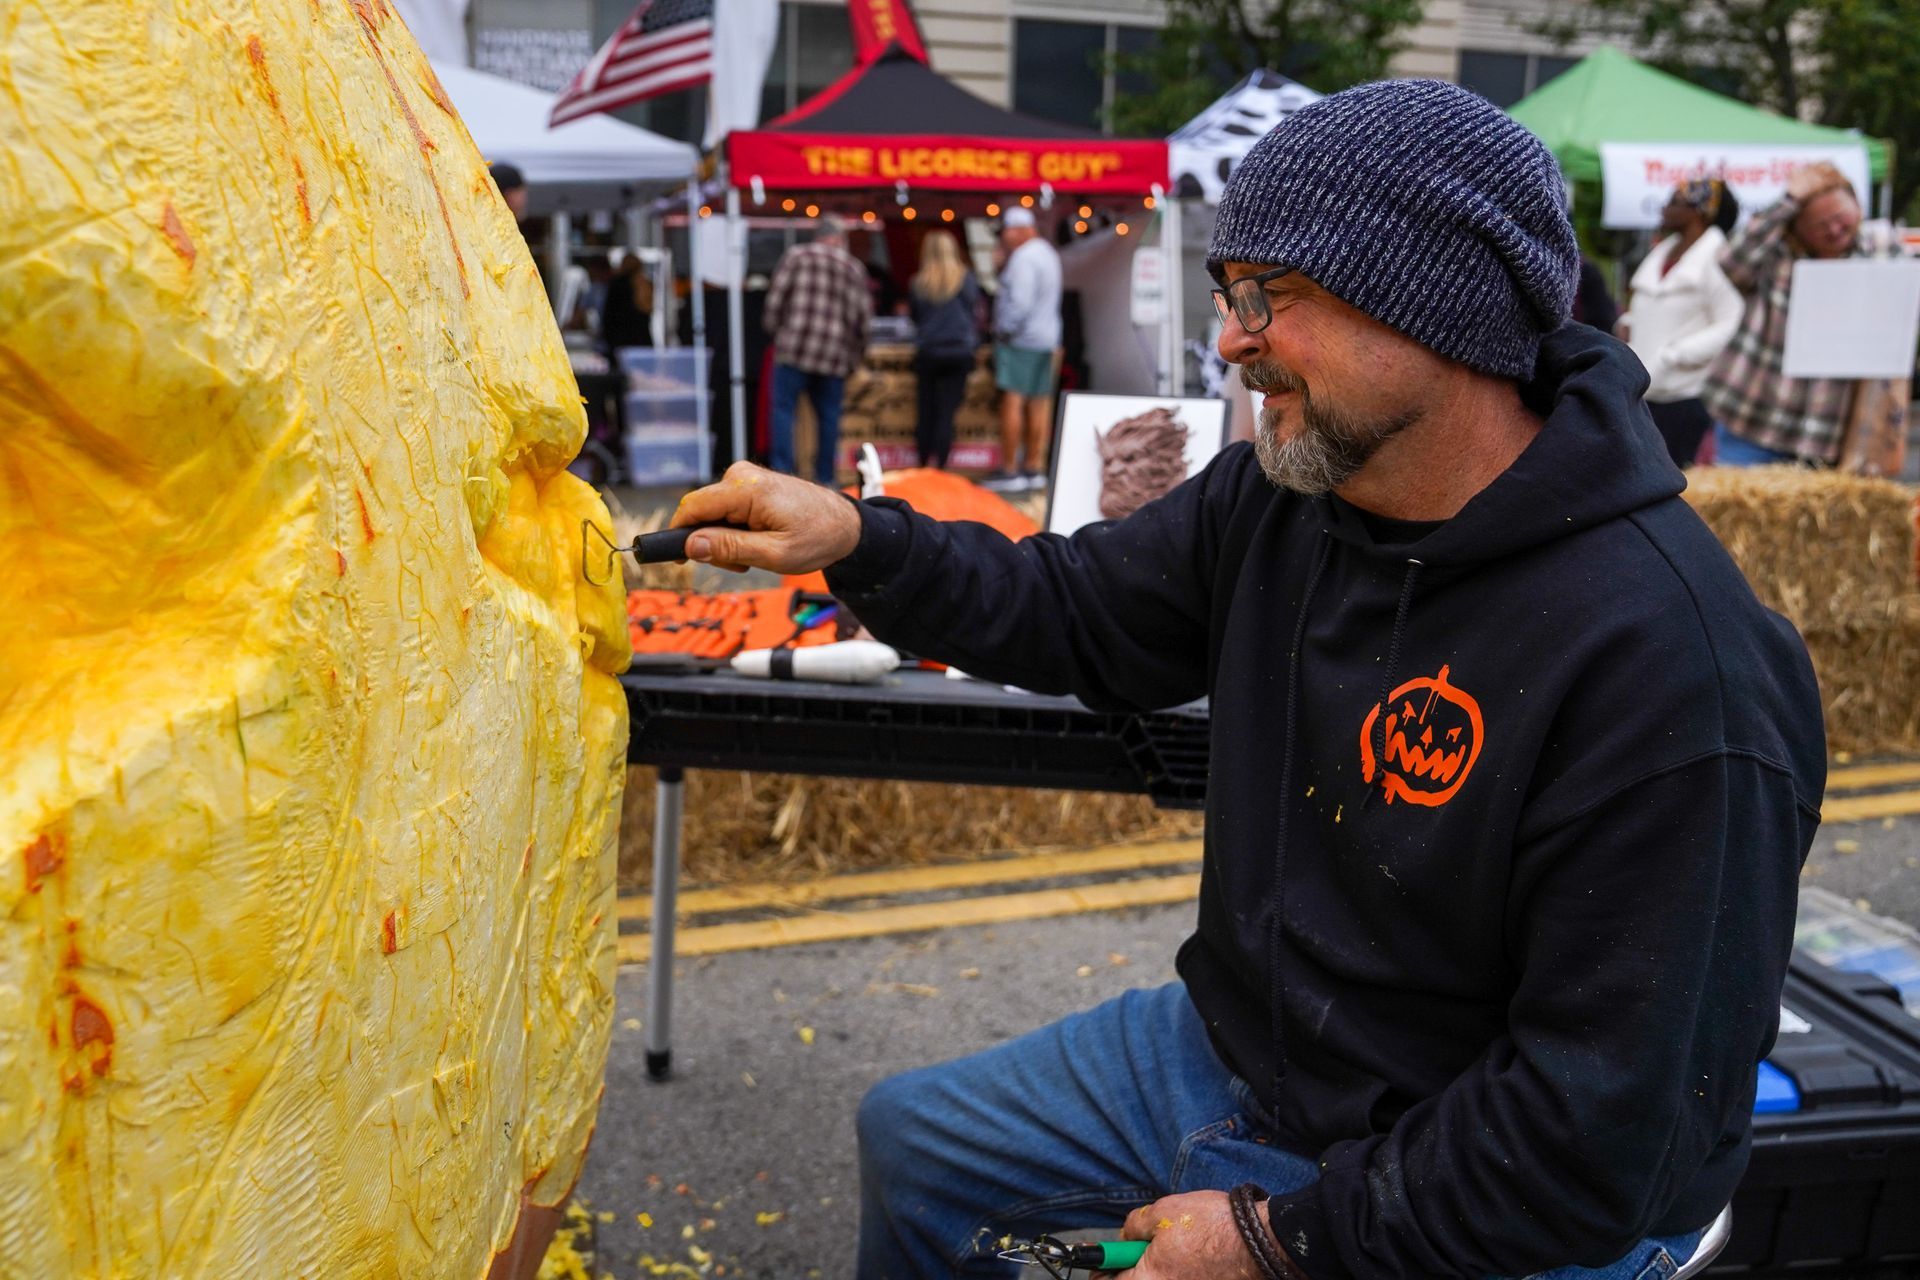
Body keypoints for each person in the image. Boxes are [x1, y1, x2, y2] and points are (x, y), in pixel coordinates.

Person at [671, 79, 1823, 1280]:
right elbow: (1074, 608)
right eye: (1233, 294)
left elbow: (1595, 1140)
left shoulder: (1675, 668)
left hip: (1473, 1171)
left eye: (1277, 296)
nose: (1230, 338)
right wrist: (858, 537)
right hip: (1238, 1050)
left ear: (1436, 309)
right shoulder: (1289, 494)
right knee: (916, 1140)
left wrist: (1277, 1239)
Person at [1703, 162, 1891, 467]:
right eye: (1820, 225)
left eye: (1840, 217)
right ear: (1798, 228)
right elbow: (1730, 261)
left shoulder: (1881, 247)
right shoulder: (1776, 254)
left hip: (1832, 433)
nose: (1834, 230)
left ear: (1857, 205)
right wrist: (1788, 200)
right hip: (1753, 419)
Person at [1618, 179, 1744, 467]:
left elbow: (1731, 325)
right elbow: (1649, 306)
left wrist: (1676, 354)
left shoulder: (1720, 258)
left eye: (1676, 201)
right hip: (1644, 394)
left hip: (1686, 396)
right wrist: (1628, 321)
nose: (1665, 207)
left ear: (1700, 212)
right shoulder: (1663, 252)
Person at [763, 214, 874, 483]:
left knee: (783, 412)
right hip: (833, 356)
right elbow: (863, 319)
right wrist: (856, 354)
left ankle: (783, 475)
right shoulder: (853, 267)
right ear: (840, 239)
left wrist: (777, 332)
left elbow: (774, 303)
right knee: (828, 418)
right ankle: (826, 478)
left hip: (794, 348)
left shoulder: (796, 257)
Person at [990, 206, 1063, 489]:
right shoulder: (1047, 253)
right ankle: (1033, 467)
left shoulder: (1023, 258)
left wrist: (1002, 331)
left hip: (1022, 340)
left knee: (1014, 400)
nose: (1004, 238)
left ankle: (1010, 470)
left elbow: (1018, 303)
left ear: (1018, 230)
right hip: (1046, 338)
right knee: (1039, 403)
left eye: (1006, 231)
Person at [907, 230, 983, 469]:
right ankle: (939, 466)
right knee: (947, 413)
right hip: (958, 352)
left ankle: (922, 464)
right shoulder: (966, 279)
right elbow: (975, 313)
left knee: (926, 410)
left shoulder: (919, 282)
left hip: (929, 351)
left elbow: (915, 317)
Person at [600, 249, 655, 354]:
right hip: (643, 342)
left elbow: (609, 316)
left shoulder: (617, 285)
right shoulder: (645, 284)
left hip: (621, 343)